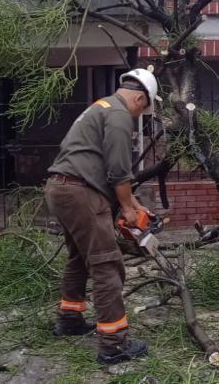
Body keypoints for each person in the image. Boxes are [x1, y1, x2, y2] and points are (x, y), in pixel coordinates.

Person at [45, 68, 159, 365]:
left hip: (61, 187)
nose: (140, 113)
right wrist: (128, 210)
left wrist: (134, 204)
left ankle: (69, 318)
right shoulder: (120, 116)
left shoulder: (100, 106)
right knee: (107, 264)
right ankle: (113, 343)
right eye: (143, 108)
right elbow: (119, 171)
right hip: (82, 192)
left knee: (78, 257)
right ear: (138, 97)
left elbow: (115, 176)